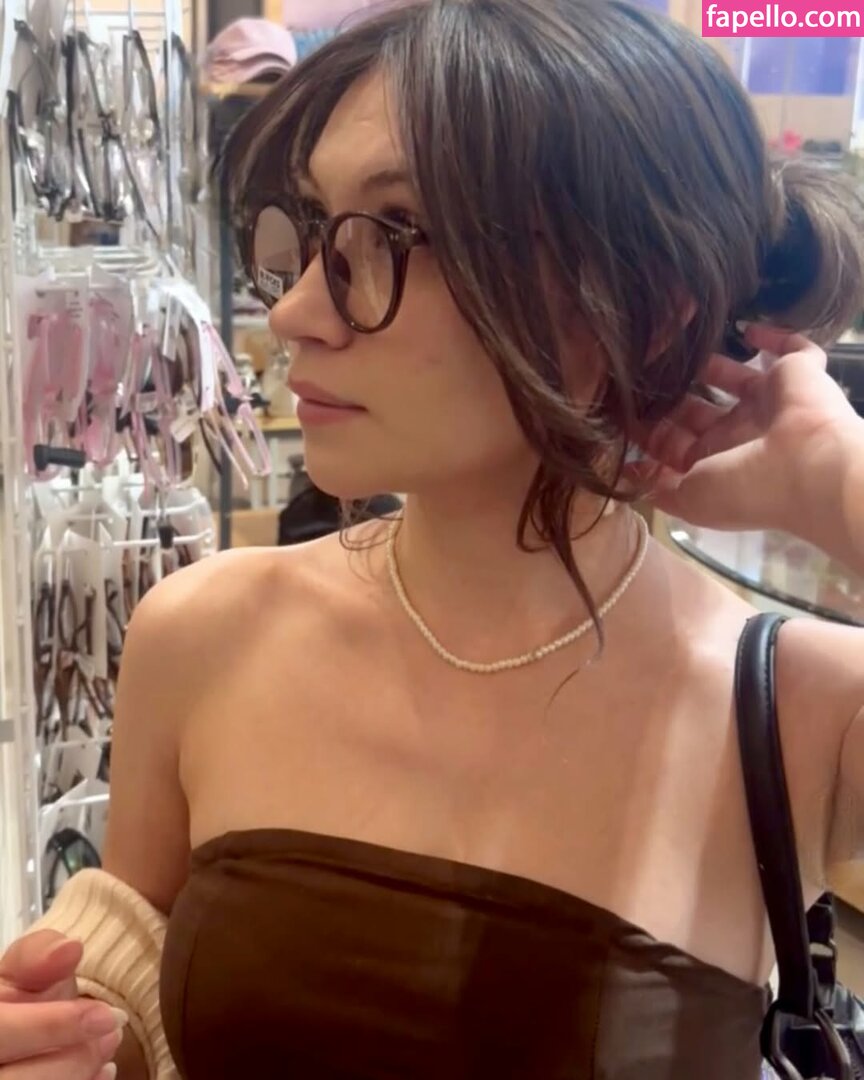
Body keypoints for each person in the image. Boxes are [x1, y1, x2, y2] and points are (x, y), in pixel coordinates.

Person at [2, 1, 864, 1077]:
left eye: (392, 233)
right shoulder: (206, 631)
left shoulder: (796, 707)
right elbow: (139, 1004)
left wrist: (836, 481)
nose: (297, 311)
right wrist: (68, 1039)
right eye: (311, 228)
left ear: (640, 304)